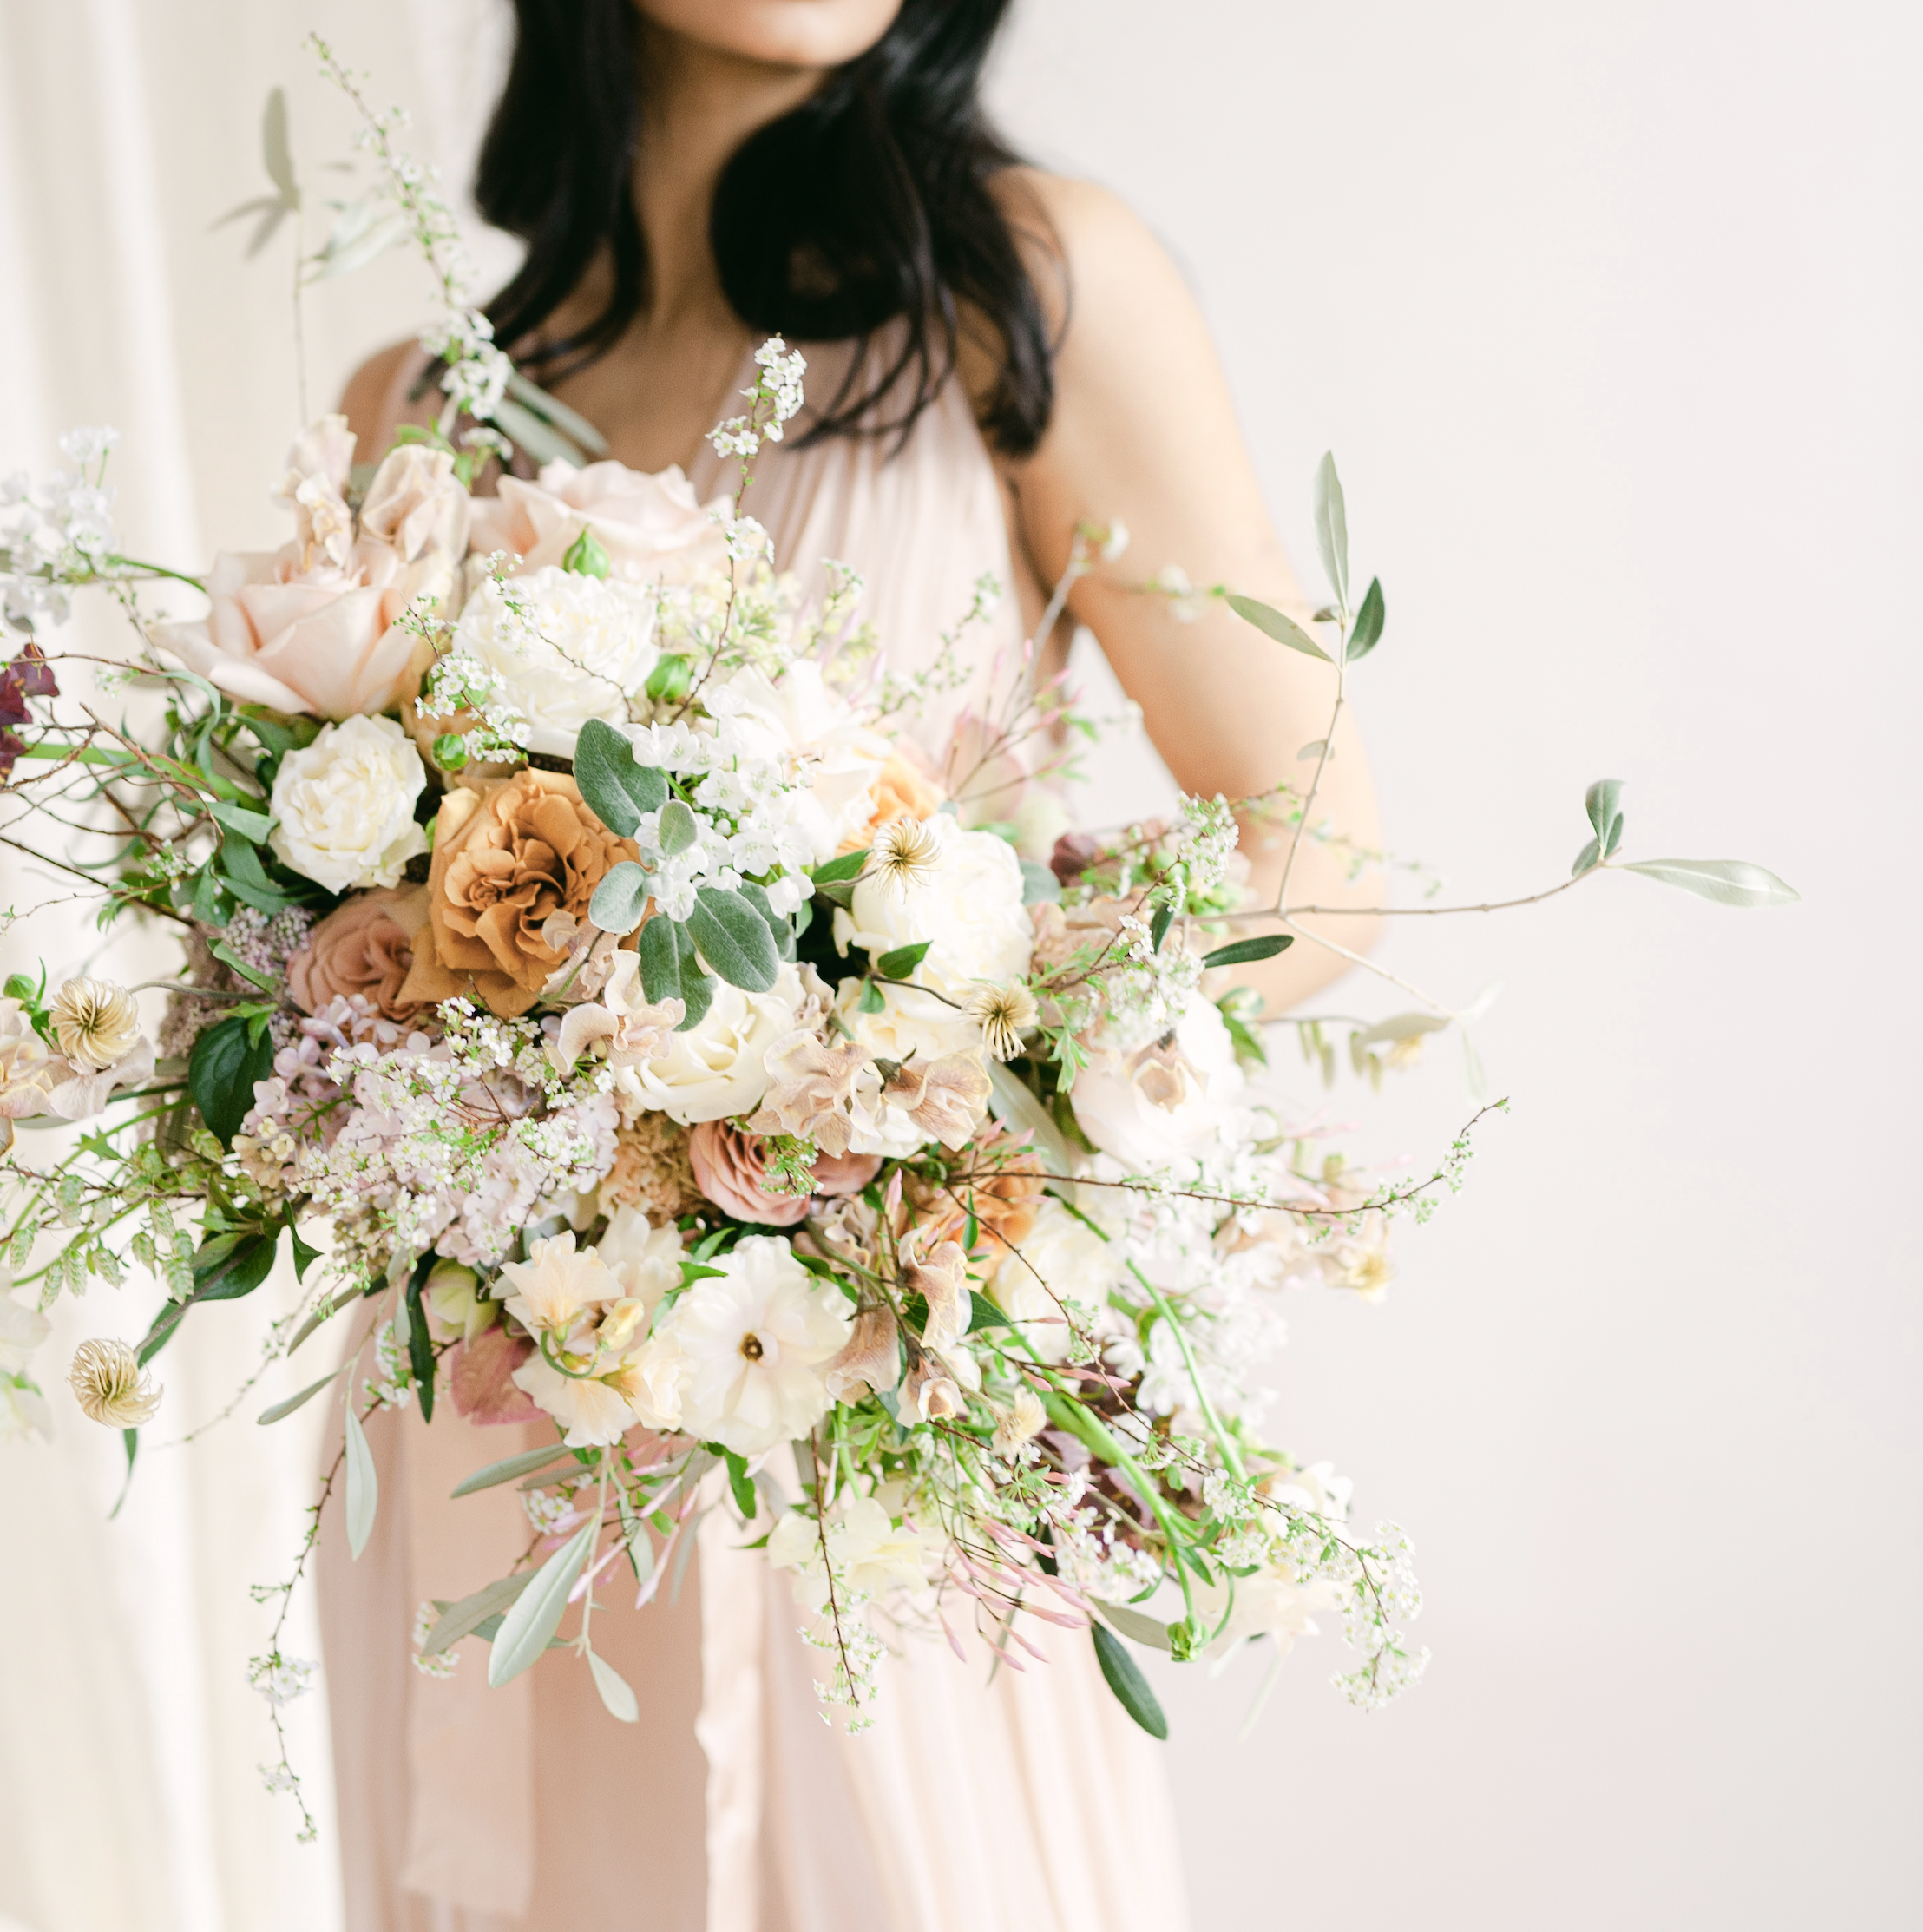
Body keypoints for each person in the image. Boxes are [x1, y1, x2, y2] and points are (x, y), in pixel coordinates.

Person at [325, 3, 1383, 1929]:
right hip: (497, 1414)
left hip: (868, 1411)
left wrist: (884, 1105)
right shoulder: (417, 409)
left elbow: (1312, 851)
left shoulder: (1017, 286)